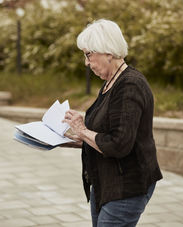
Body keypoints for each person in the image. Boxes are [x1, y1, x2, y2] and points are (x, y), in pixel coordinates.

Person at [62, 19, 163, 227]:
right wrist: (73, 139)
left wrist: (82, 130)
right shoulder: (111, 81)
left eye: (88, 54)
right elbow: (107, 134)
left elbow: (118, 144)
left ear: (108, 52)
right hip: (105, 183)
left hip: (126, 186)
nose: (86, 63)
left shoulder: (129, 85)